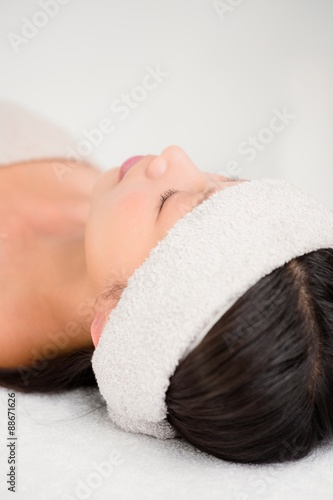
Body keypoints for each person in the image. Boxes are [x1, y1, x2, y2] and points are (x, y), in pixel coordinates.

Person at [1, 145, 333, 465]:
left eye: (169, 201)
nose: (175, 155)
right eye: (226, 178)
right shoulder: (104, 195)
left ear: (116, 324)